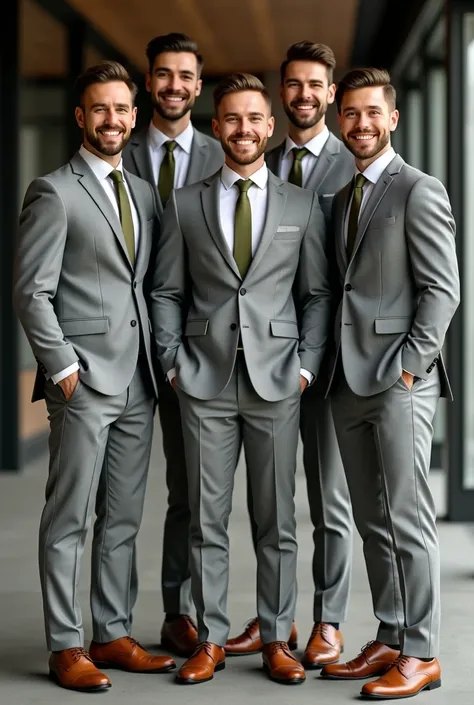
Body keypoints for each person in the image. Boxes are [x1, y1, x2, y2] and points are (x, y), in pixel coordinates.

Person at [151, 73, 331, 685]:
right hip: (202, 381)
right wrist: (172, 359)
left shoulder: (301, 205)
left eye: (255, 119)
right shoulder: (184, 203)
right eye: (231, 118)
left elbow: (317, 295)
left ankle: (277, 637)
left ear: (270, 126)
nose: (244, 129)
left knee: (276, 521)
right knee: (206, 520)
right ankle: (211, 638)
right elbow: (167, 290)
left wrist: (306, 364)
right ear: (215, 125)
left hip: (278, 380)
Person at [13, 61, 175, 692]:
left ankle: (110, 634)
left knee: (124, 517)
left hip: (137, 381)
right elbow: (32, 293)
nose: (113, 119)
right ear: (81, 117)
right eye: (99, 109)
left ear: (134, 117)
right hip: (83, 382)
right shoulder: (53, 192)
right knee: (70, 516)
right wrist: (65, 370)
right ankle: (66, 644)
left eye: (122, 109)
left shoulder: (140, 191)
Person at [320, 68, 460, 700]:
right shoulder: (344, 193)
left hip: (399, 382)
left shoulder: (419, 190)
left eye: (372, 112)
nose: (361, 124)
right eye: (349, 113)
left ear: (393, 118)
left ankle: (424, 651)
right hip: (347, 381)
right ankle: (391, 632)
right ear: (337, 119)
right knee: (372, 517)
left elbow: (443, 290)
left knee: (409, 517)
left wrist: (411, 367)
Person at [227, 40, 354, 670]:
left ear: (331, 93)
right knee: (270, 500)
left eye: (315, 85)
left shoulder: (353, 161)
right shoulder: (260, 161)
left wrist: (312, 357)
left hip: (331, 361)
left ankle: (328, 619)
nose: (305, 95)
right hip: (262, 362)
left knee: (328, 500)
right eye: (294, 85)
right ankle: (277, 616)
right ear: (282, 96)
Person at [123, 33, 224, 658]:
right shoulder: (117, 148)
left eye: (186, 76)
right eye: (163, 74)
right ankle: (107, 626)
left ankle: (178, 611)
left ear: (198, 83)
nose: (175, 86)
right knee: (122, 496)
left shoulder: (228, 153)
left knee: (190, 490)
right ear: (148, 81)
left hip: (200, 351)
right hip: (125, 348)